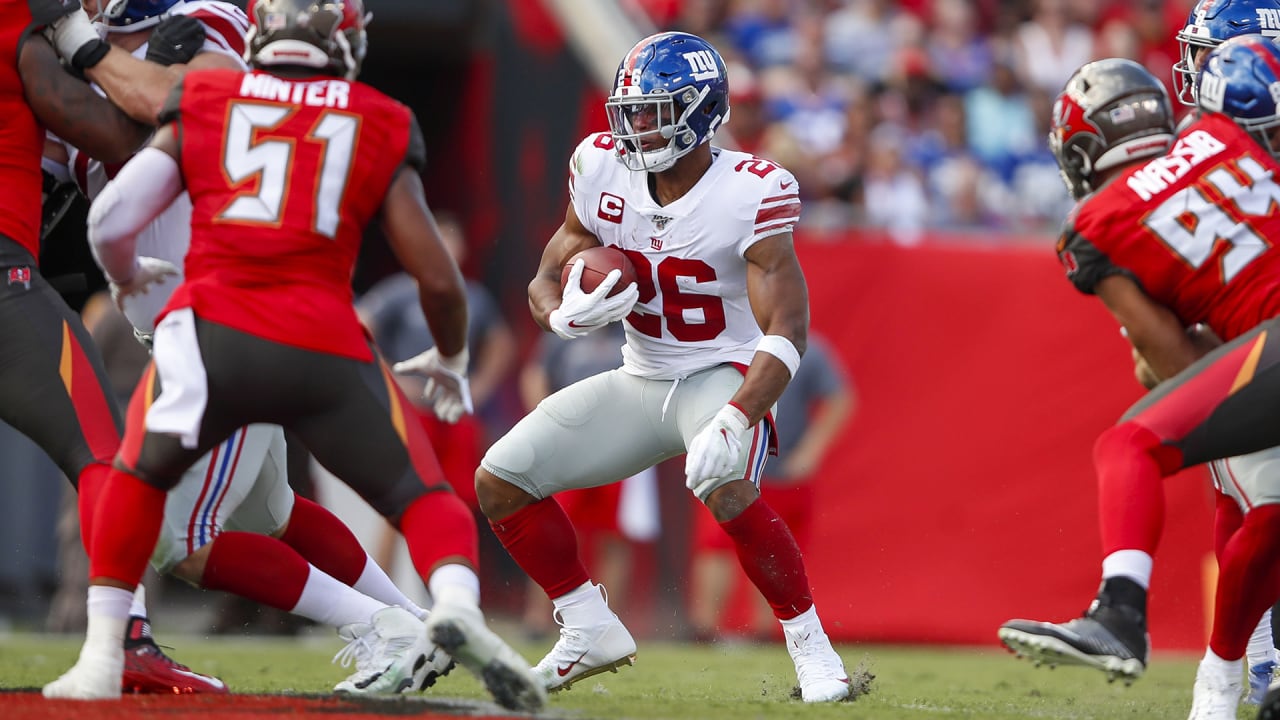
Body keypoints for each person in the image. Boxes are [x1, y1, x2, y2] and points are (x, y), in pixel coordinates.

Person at [40, 0, 544, 712]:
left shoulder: (205, 67)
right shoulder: (375, 113)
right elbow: (435, 273)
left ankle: (379, 624)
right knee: (311, 504)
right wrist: (454, 358)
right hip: (320, 339)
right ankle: (433, 610)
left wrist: (121, 278)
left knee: (174, 529)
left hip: (208, 329)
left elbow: (119, 203)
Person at [473, 31, 853, 703]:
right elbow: (559, 254)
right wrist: (557, 308)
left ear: (704, 111)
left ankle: (811, 646)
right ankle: (588, 625)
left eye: (657, 109)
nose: (639, 125)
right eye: (632, 109)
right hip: (641, 374)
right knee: (501, 480)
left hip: (720, 370)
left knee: (722, 480)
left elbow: (788, 328)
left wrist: (741, 417)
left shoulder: (750, 191)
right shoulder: (600, 165)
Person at [994, 45, 1280, 720]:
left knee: (1128, 445)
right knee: (1268, 517)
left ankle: (1119, 611)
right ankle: (1220, 692)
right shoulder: (1223, 130)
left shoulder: (1096, 226)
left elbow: (1178, 365)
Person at [5, 0, 233, 696]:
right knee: (106, 457)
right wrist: (121, 61)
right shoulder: (22, 23)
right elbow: (112, 136)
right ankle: (125, 640)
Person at [689, 332, 852, 643]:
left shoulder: (808, 351)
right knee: (717, 546)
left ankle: (767, 632)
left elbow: (840, 399)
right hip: (731, 465)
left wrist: (811, 451)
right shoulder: (724, 343)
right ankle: (704, 630)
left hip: (779, 470)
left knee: (772, 548)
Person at [515, 323, 662, 640]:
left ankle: (608, 624)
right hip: (570, 442)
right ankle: (537, 618)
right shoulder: (565, 329)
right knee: (553, 530)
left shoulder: (637, 331)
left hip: (622, 443)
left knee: (616, 536)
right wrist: (546, 422)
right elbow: (535, 374)